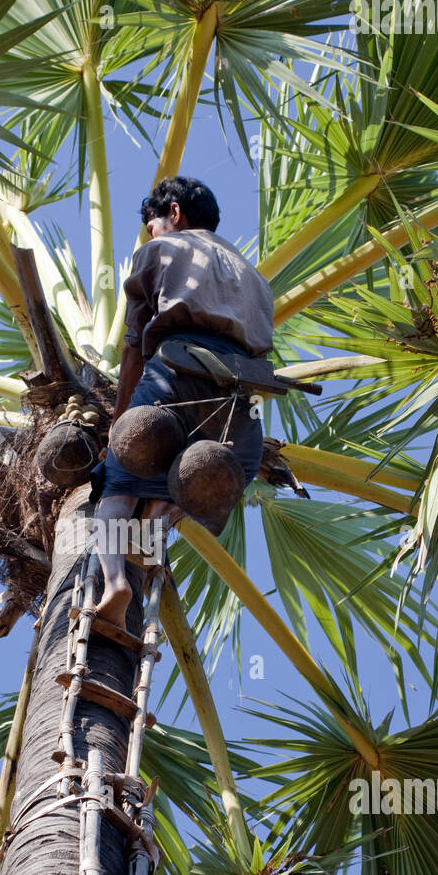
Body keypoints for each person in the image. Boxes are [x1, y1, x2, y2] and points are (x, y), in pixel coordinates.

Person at [90, 175, 274, 628]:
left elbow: (134, 345)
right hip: (239, 394)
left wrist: (120, 420)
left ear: (173, 212)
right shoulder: (256, 278)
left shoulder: (160, 251)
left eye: (152, 225)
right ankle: (155, 523)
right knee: (232, 471)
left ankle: (115, 581)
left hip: (176, 368)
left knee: (118, 482)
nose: (152, 234)